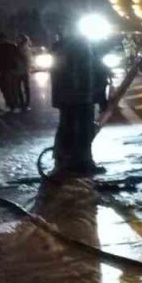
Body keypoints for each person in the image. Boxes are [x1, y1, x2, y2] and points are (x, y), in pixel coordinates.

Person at [51, 32, 101, 176]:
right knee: (74, 129)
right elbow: (74, 73)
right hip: (76, 97)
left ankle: (79, 161)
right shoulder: (73, 47)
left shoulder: (71, 46)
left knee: (79, 129)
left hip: (78, 96)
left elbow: (91, 69)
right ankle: (70, 162)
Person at [0, 33, 22, 111]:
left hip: (3, 71)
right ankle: (14, 104)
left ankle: (10, 104)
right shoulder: (13, 46)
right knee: (13, 88)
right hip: (12, 69)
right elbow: (18, 57)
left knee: (6, 89)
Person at [15, 34, 33, 110]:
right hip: (19, 70)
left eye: (20, 39)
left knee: (25, 87)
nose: (18, 40)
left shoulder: (25, 48)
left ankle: (26, 103)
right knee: (20, 88)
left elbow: (26, 59)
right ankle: (23, 103)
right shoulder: (18, 48)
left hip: (24, 70)